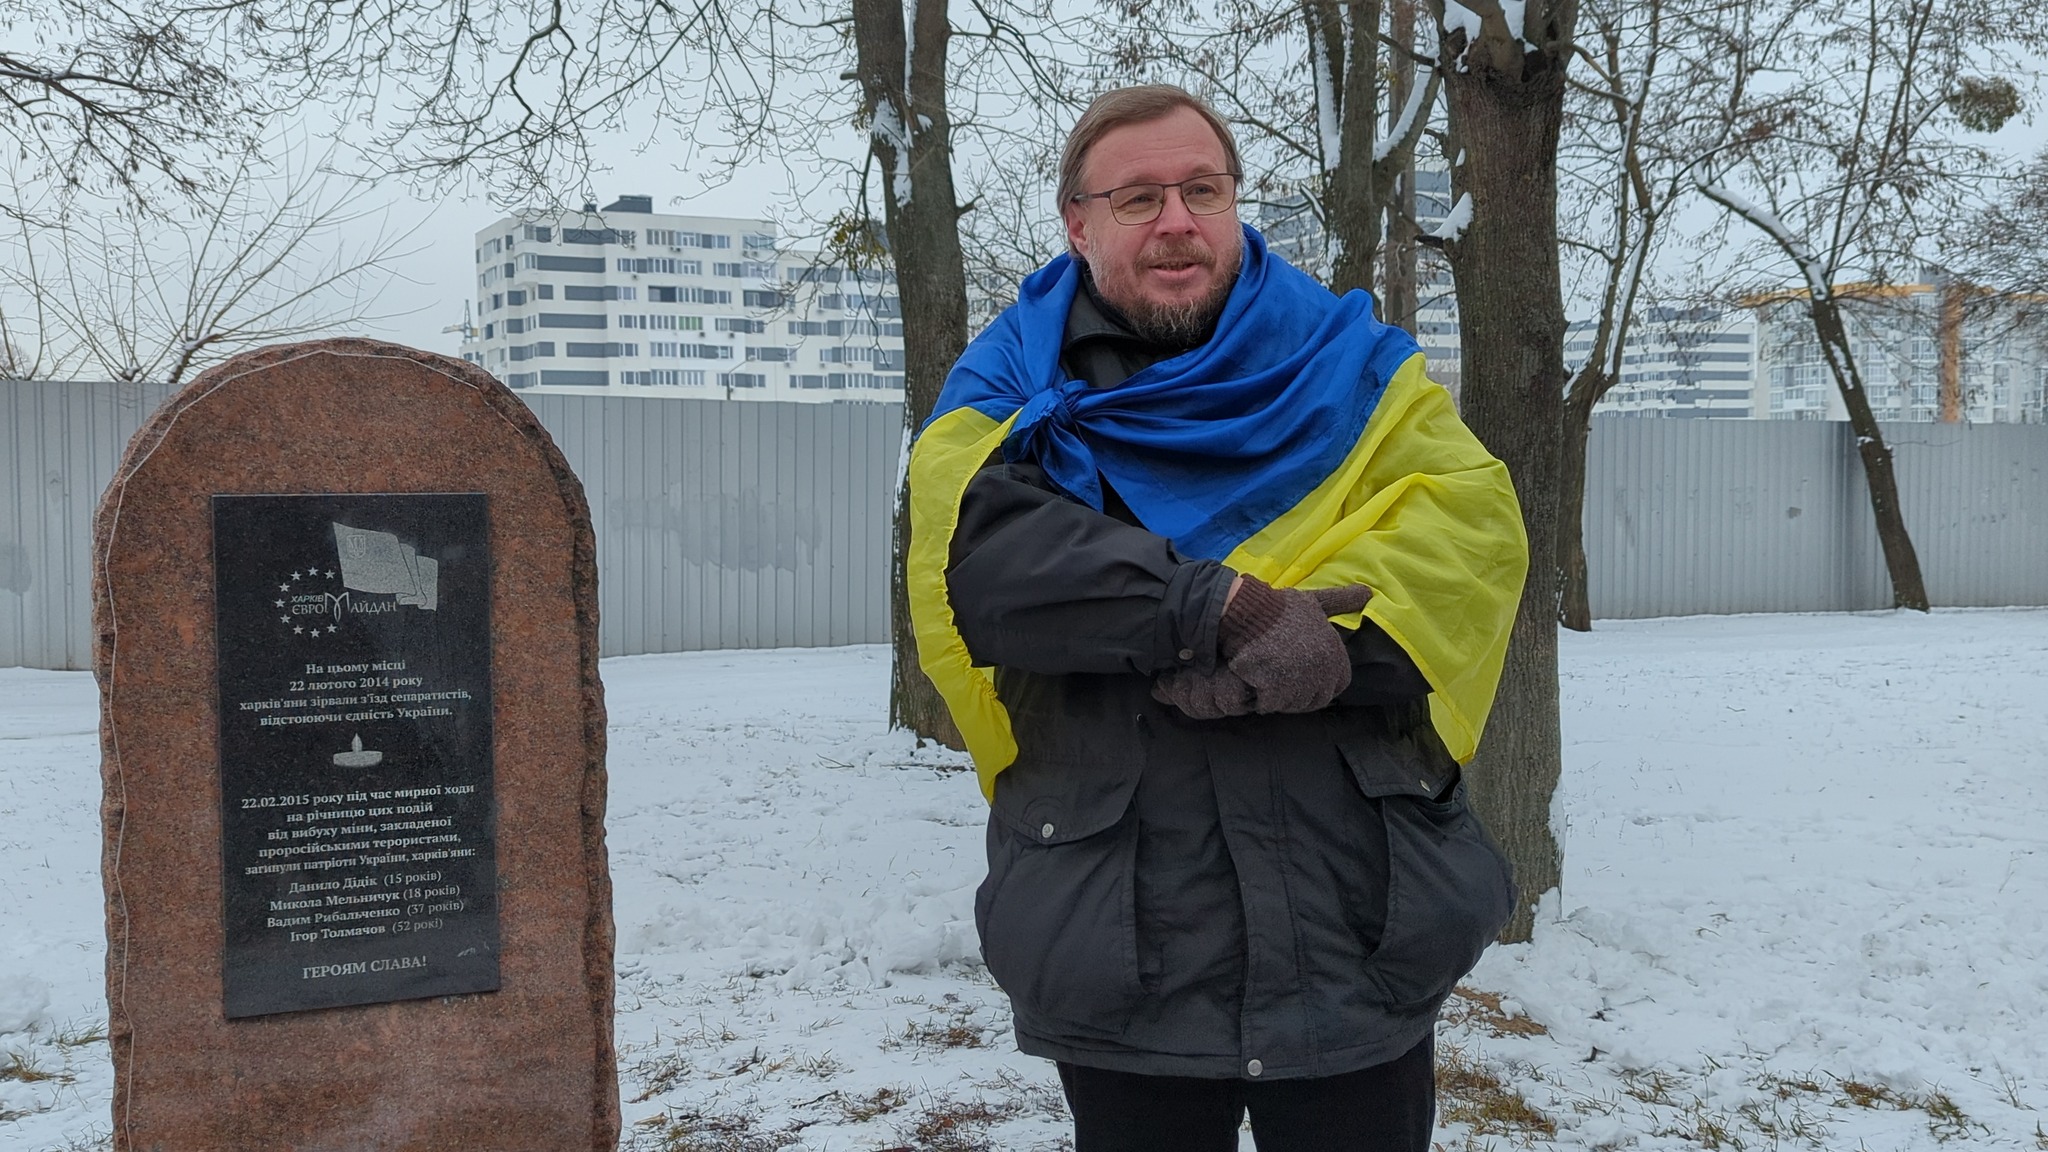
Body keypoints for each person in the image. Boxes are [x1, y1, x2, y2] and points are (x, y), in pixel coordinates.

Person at [905, 84, 1529, 1152]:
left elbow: (1466, 538)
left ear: (1236, 204)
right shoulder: (1008, 384)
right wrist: (1216, 606)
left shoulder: (1353, 364)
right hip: (1127, 932)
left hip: (1352, 921)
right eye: (1137, 196)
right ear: (1077, 223)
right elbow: (991, 569)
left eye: (1202, 189)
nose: (1176, 220)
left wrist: (1326, 653)